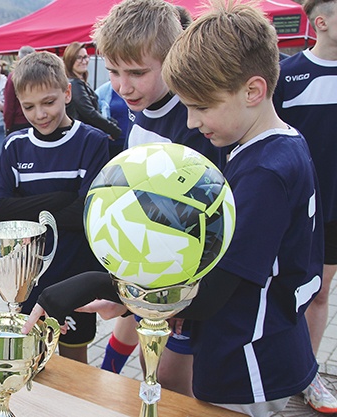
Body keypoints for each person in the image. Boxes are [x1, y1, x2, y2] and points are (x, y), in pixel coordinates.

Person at [24, 1, 325, 415]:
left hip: (250, 362)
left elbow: (210, 296)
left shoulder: (264, 173)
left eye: (201, 107)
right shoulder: (269, 147)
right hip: (248, 345)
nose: (190, 123)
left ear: (253, 90)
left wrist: (100, 283)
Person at [87, 0, 225, 395]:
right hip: (144, 250)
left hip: (181, 268)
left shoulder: (194, 121)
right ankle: (107, 379)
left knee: (167, 376)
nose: (122, 85)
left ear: (172, 59)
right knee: (130, 323)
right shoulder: (136, 104)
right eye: (112, 71)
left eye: (136, 73)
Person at [0, 51, 110, 363]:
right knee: (32, 356)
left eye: (48, 102)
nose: (40, 114)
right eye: (29, 106)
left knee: (73, 362)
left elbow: (85, 213)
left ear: (67, 93)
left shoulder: (93, 141)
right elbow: (0, 209)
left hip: (77, 276)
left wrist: (29, 213)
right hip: (28, 279)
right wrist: (60, 199)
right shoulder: (15, 146)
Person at [273, 0, 337, 412]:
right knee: (283, 291)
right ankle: (271, 368)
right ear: (321, 22)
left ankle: (306, 375)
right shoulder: (288, 75)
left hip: (334, 214)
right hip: (294, 211)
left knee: (318, 292)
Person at [62, 42, 121, 141]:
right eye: (79, 57)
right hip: (83, 138)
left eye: (85, 57)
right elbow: (89, 113)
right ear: (70, 60)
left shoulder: (80, 83)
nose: (83, 61)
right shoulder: (75, 84)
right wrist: (113, 129)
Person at [3, 46, 35, 135]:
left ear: (18, 58)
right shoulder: (39, 77)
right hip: (36, 120)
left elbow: (9, 105)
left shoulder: (14, 77)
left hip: (19, 122)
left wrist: (8, 126)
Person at [95, 80, 129, 159]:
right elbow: (93, 113)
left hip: (133, 145)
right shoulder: (105, 90)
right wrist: (107, 131)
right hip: (113, 144)